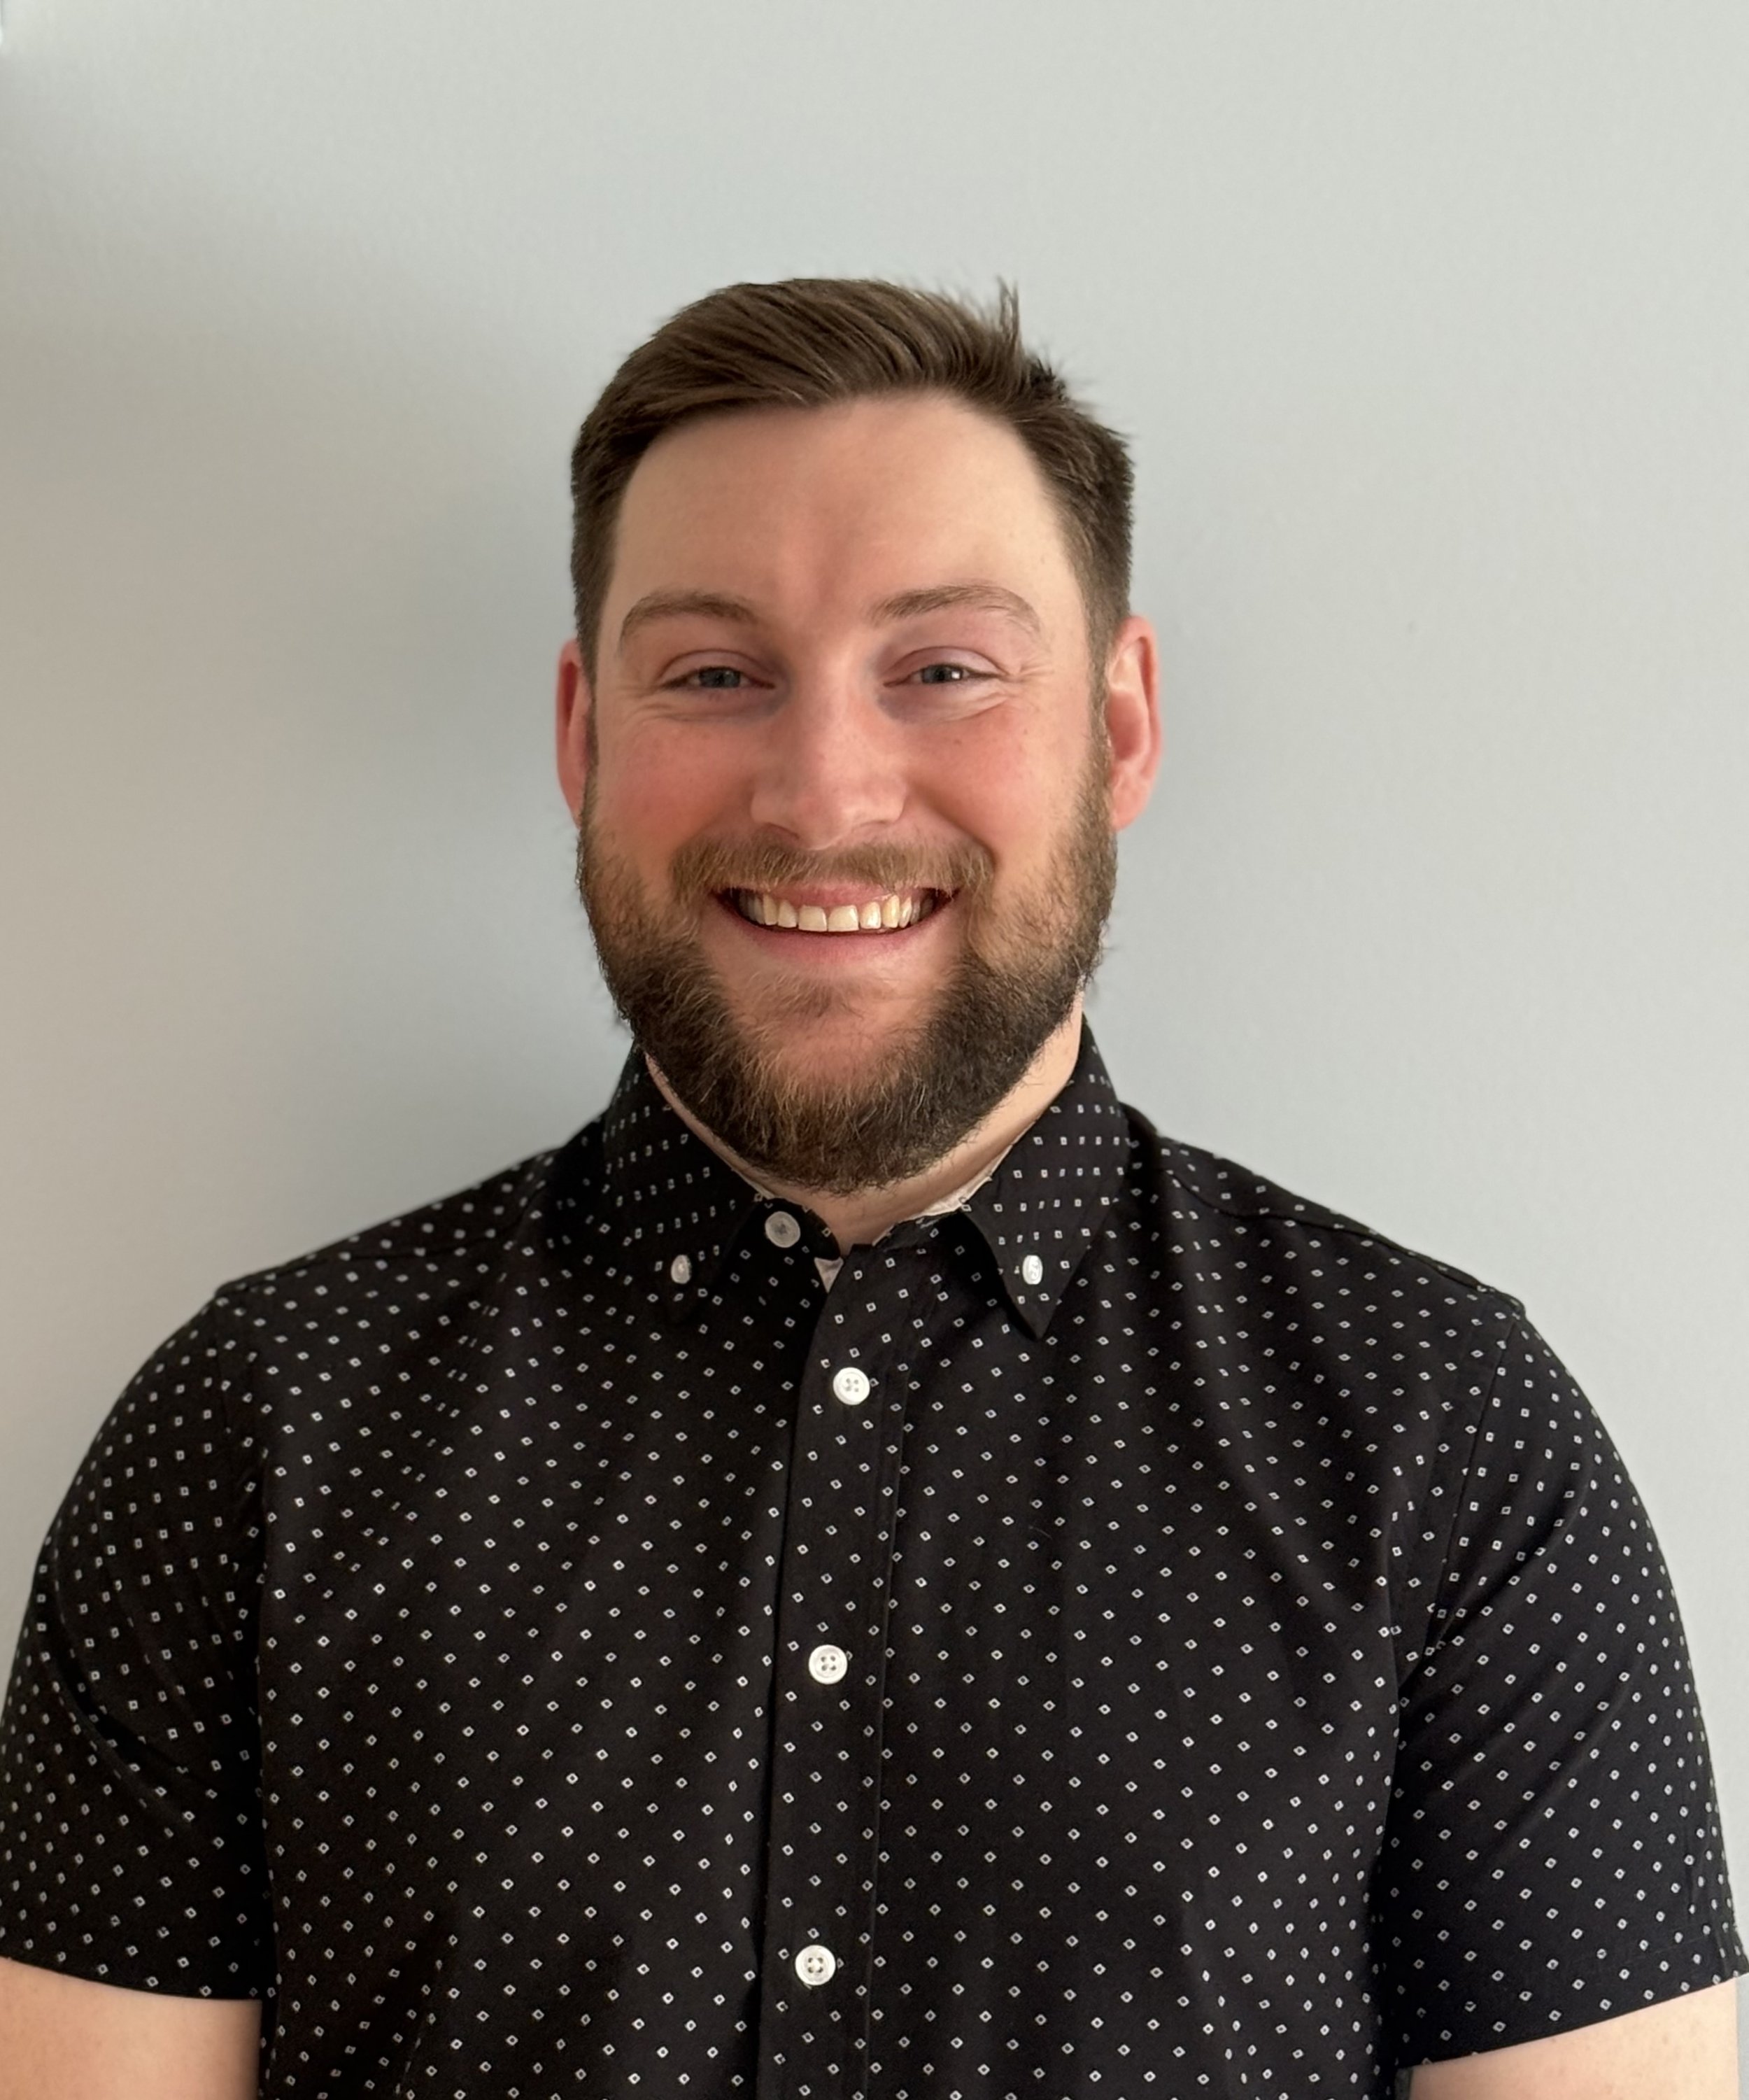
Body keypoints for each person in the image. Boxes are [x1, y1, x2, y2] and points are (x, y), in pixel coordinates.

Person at [0, 279, 1739, 2100]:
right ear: (584, 731)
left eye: (942, 669)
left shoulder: (1443, 1435)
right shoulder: (252, 1433)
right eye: (713, 672)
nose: (824, 792)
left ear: (1120, 725)